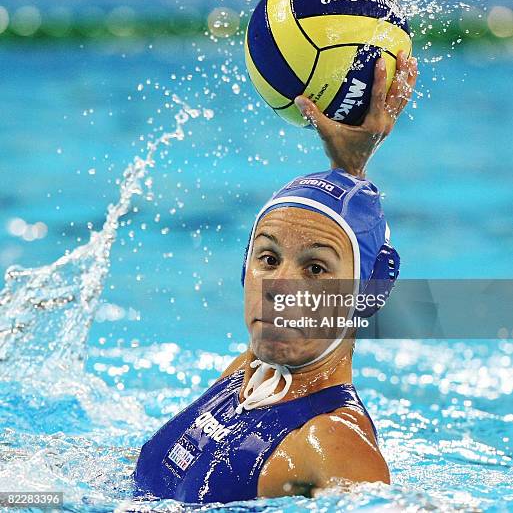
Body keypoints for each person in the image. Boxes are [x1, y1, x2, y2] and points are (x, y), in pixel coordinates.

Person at [133, 52, 418, 504]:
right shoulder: (247, 378)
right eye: (267, 259)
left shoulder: (331, 442)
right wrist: (350, 168)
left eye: (316, 268)